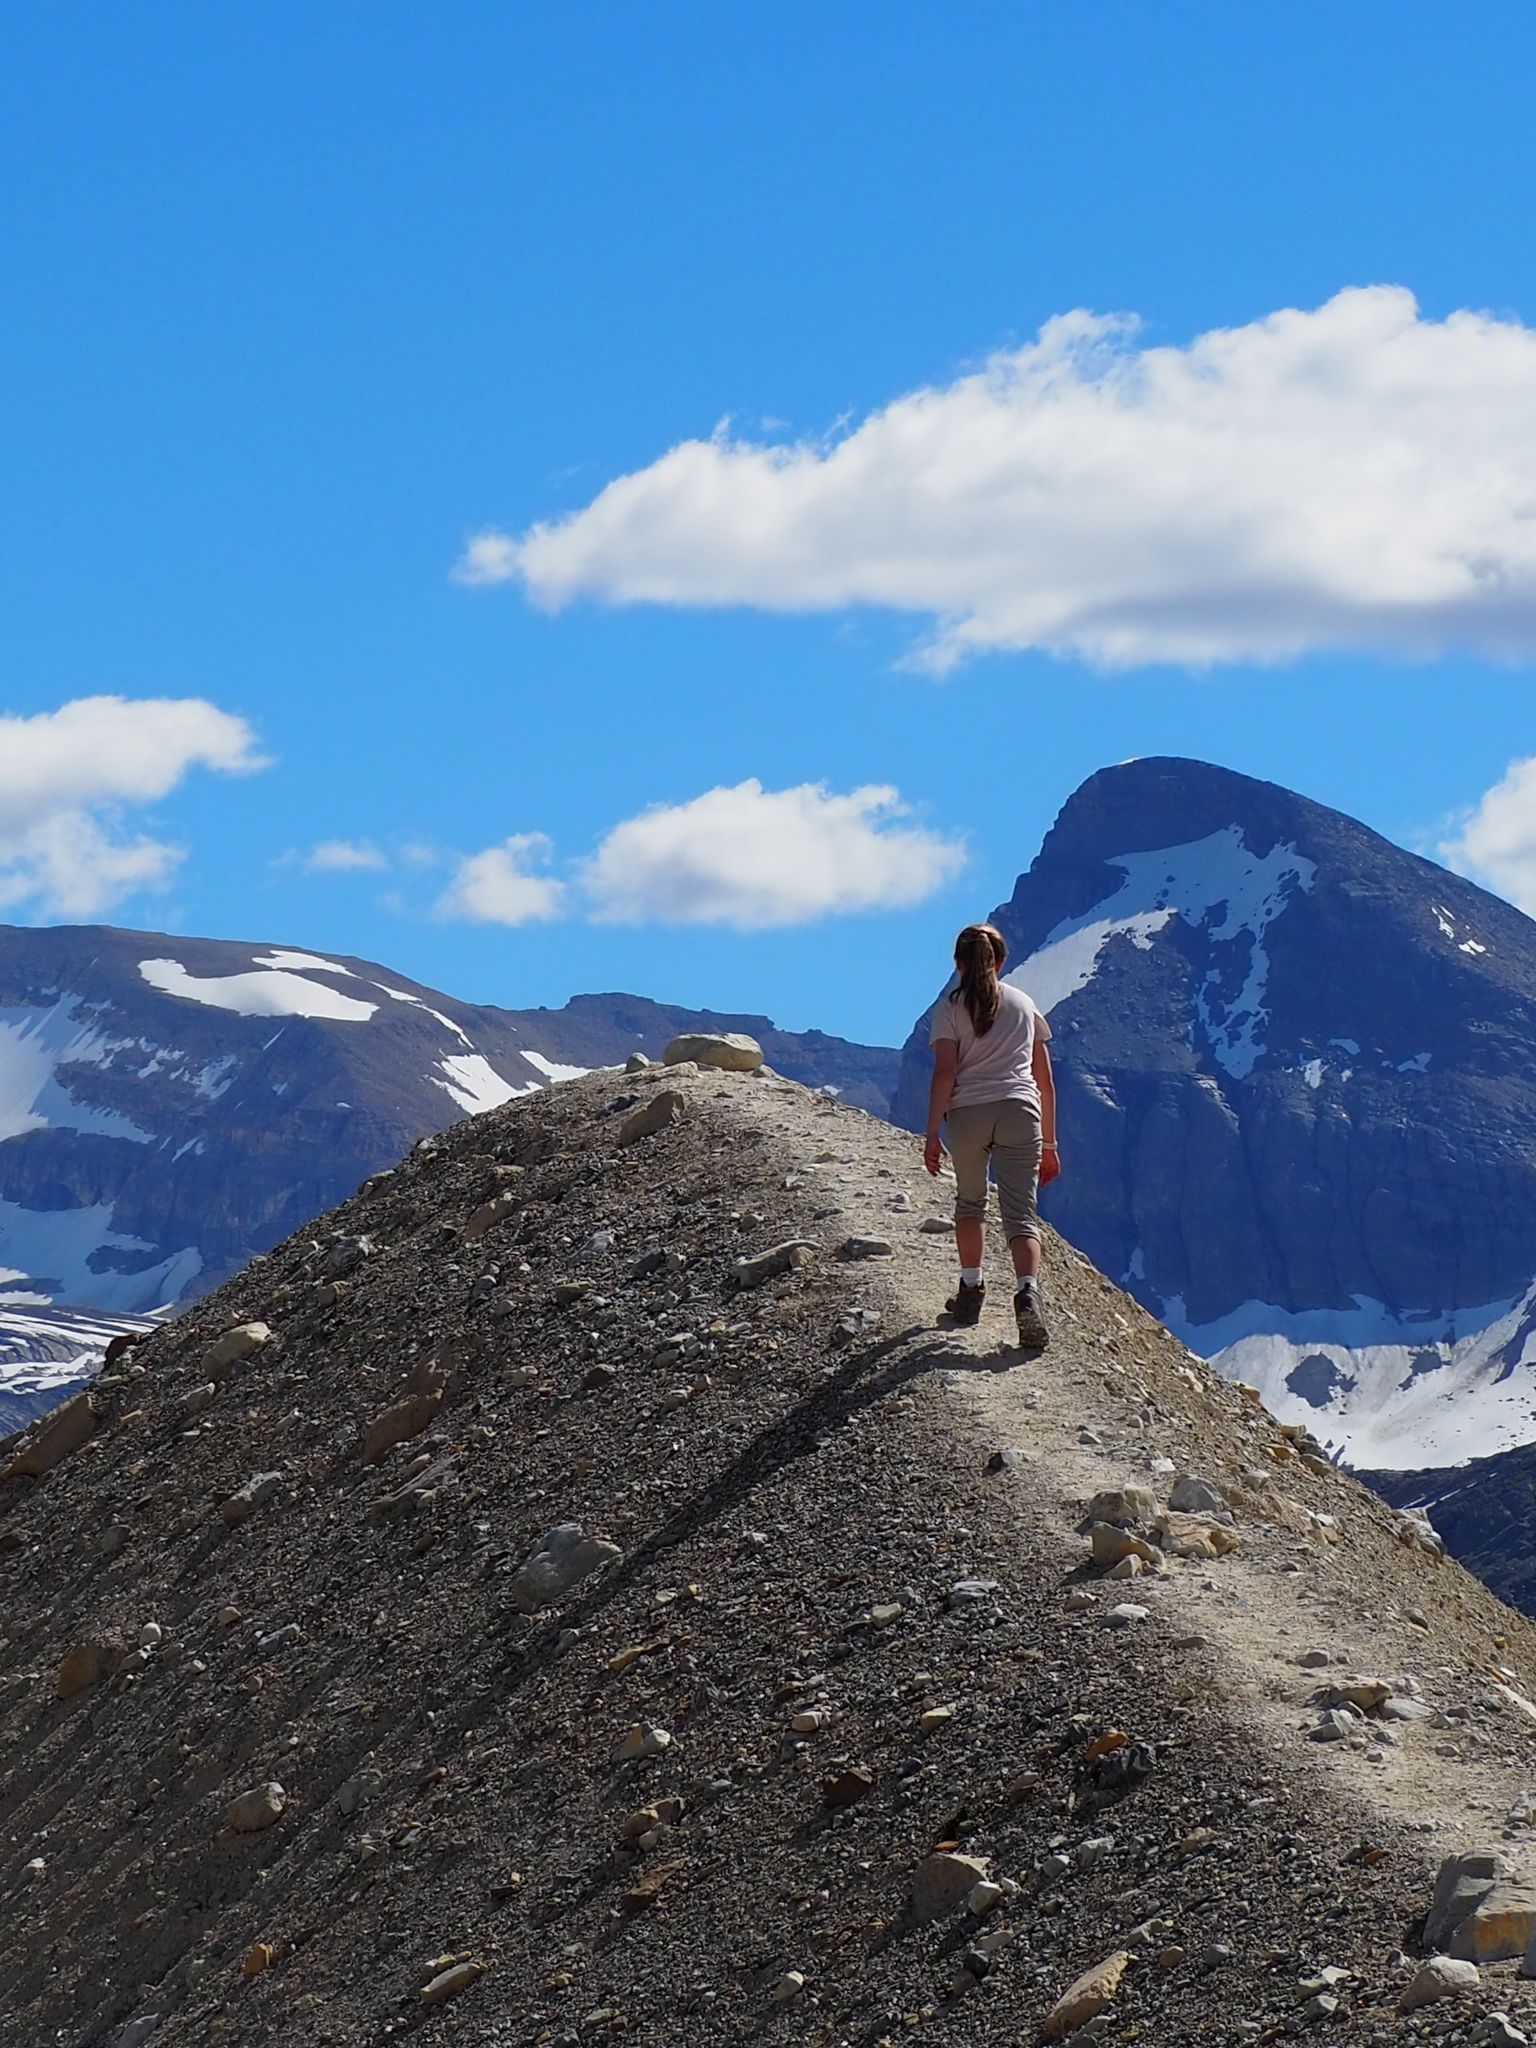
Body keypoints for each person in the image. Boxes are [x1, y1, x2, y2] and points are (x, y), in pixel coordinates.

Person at [923, 921, 1059, 1346]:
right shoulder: (1024, 1005)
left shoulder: (949, 1007)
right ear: (1001, 962)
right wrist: (1051, 1144)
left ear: (958, 963)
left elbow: (945, 1072)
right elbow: (1045, 1080)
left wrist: (931, 1133)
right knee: (1021, 1214)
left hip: (968, 1114)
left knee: (971, 1202)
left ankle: (971, 1290)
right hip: (1022, 1112)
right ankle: (1027, 1295)